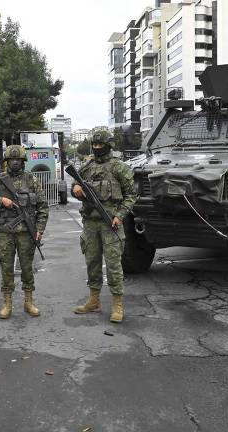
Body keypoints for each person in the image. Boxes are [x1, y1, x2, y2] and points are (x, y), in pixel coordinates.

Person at [71, 129, 136, 323]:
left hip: (111, 224)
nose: (98, 148)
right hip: (90, 223)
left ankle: (117, 305)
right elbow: (75, 185)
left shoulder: (119, 167)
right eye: (95, 145)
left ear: (109, 145)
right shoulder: (87, 167)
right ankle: (94, 301)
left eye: (101, 145)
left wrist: (120, 215)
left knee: (114, 265)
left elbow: (131, 195)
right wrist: (75, 189)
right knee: (92, 262)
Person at [0, 145, 48, 319]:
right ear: (6, 161)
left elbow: (43, 207)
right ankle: (7, 303)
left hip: (27, 233)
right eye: (11, 160)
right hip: (6, 232)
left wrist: (39, 230)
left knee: (27, 268)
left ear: (23, 161)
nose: (14, 163)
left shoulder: (32, 180)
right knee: (6, 268)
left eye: (17, 160)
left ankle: (29, 302)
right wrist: (1, 200)